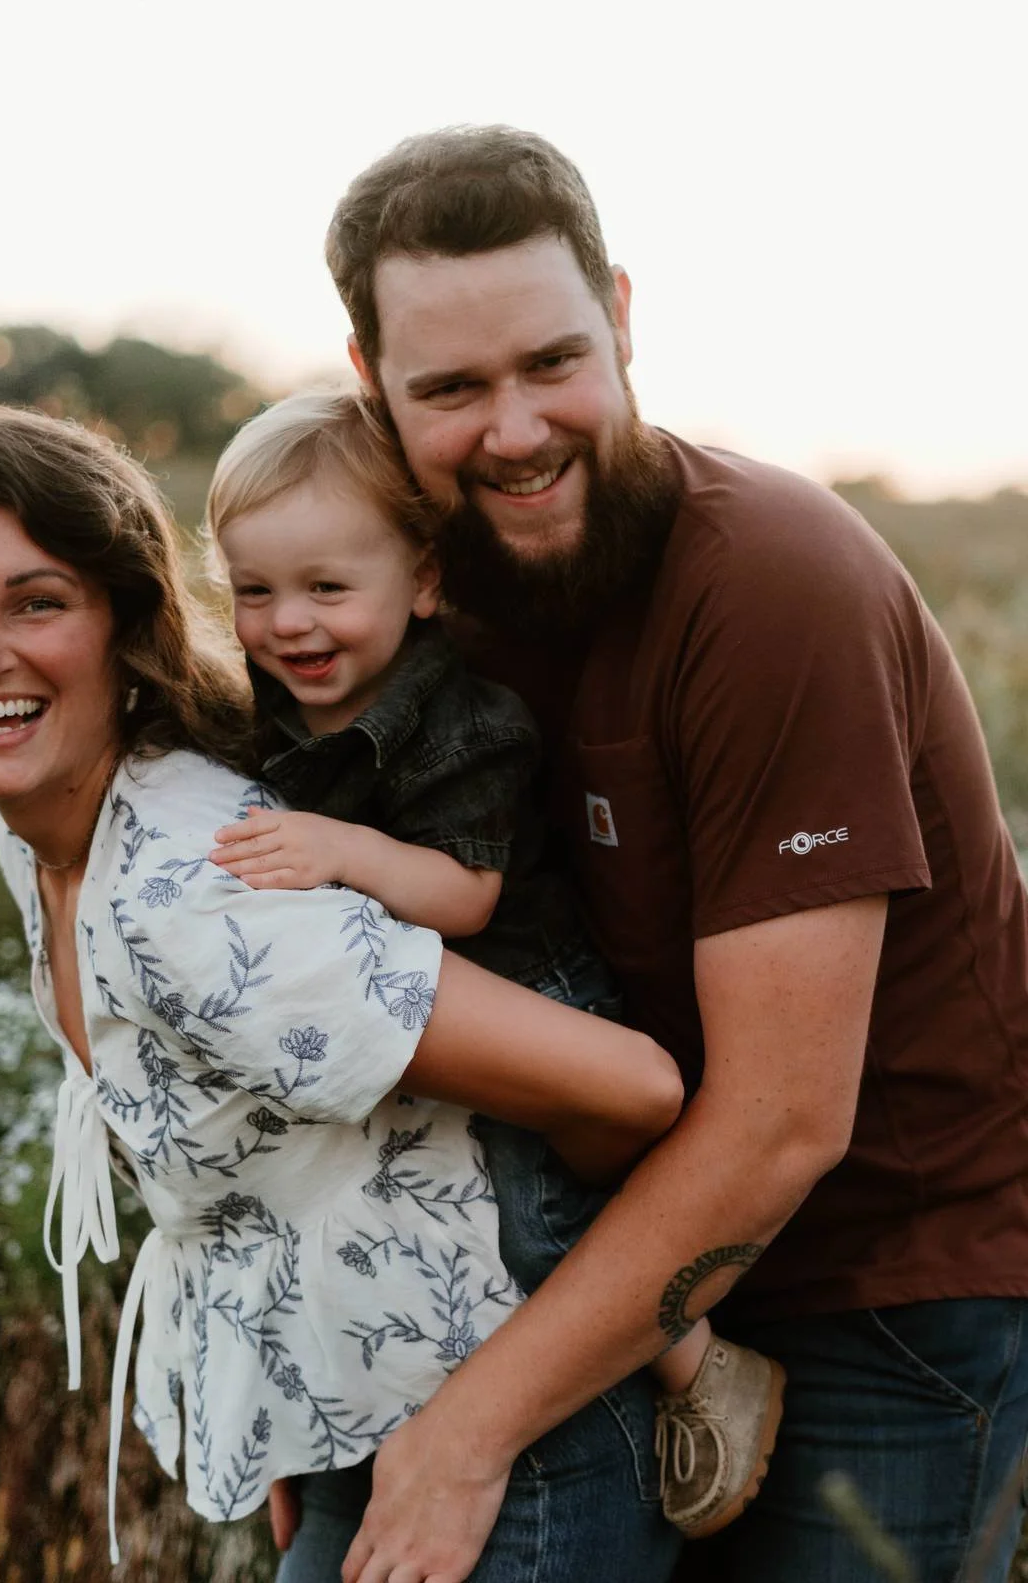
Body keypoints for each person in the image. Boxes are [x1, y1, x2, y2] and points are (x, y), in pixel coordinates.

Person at [313, 125, 1028, 1583]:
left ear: (623, 319)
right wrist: (329, 1413)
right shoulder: (427, 599)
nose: (514, 429)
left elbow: (781, 1124)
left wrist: (460, 1437)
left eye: (551, 363)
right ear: (369, 380)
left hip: (887, 1297)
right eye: (452, 387)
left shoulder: (773, 584)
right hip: (619, 1284)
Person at [0, 403, 694, 1579]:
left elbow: (632, 1089)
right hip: (360, 1434)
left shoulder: (201, 891)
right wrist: (297, 1408)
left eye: (36, 602)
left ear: (124, 628)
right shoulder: (42, 827)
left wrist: (487, 1415)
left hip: (511, 1459)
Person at [202, 386, 785, 1546]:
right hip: (416, 1013)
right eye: (254, 591)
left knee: (532, 1214)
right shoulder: (270, 710)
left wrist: (340, 851)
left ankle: (701, 1366)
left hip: (528, 986)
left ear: (421, 582)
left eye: (327, 588)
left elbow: (464, 893)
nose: (290, 625)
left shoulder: (466, 720)